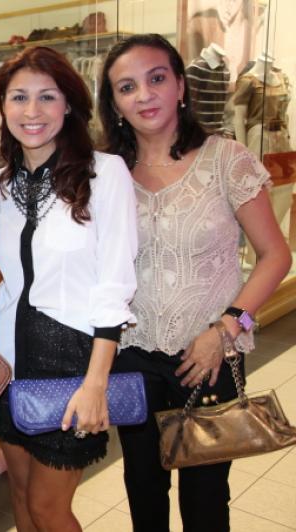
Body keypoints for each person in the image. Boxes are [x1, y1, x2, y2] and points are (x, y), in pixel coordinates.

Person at [99, 33, 292, 532]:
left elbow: (275, 256)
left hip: (210, 353)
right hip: (132, 353)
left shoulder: (226, 159)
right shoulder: (108, 174)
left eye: (156, 78)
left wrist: (228, 327)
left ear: (181, 86)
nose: (144, 95)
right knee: (143, 488)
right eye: (127, 87)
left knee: (206, 499)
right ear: (114, 104)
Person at [0, 46, 138, 531]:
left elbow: (115, 283)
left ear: (68, 104)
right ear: (2, 106)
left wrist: (96, 384)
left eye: (47, 97)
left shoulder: (104, 173)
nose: (32, 111)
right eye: (19, 97)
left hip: (73, 362)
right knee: (21, 496)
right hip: (8, 362)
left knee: (49, 508)